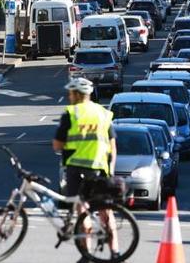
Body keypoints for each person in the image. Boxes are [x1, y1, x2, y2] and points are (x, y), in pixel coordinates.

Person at [52, 78, 119, 263]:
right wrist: (111, 169)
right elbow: (113, 146)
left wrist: (67, 146)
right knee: (106, 211)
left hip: (76, 169)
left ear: (76, 94)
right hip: (100, 168)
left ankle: (87, 254)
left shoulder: (71, 113)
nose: (68, 96)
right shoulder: (103, 113)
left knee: (83, 211)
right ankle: (116, 252)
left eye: (70, 93)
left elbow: (57, 146)